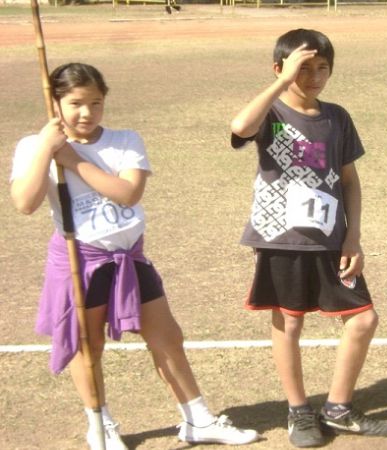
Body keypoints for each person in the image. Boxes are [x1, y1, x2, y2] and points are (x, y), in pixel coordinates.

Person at [9, 63, 259, 450]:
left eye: (96, 102)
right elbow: (25, 203)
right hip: (81, 260)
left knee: (167, 337)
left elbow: (127, 194)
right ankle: (100, 425)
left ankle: (198, 419)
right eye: (75, 103)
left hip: (129, 257)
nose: (87, 112)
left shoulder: (125, 141)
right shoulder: (33, 146)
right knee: (87, 346)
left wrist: (72, 160)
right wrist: (46, 148)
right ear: (54, 103)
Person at [229, 29, 387, 448]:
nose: (315, 76)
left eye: (323, 67)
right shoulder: (271, 112)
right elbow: (240, 126)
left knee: (363, 318)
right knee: (288, 321)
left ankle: (338, 408)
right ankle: (299, 411)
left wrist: (353, 237)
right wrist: (282, 83)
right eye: (304, 68)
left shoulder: (336, 117)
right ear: (280, 68)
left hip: (330, 239)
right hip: (281, 238)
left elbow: (350, 182)